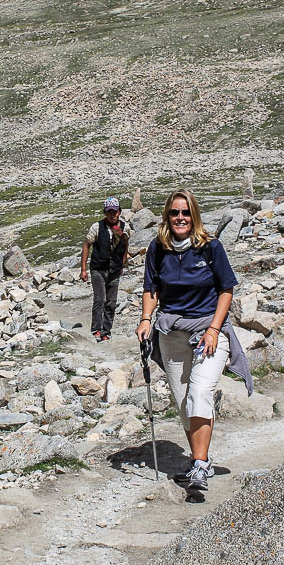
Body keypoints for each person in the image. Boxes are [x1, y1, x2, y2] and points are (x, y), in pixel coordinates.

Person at [135, 189, 252, 493]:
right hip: (171, 331)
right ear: (167, 216)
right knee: (184, 400)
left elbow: (226, 289)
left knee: (200, 392)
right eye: (175, 213)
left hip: (208, 331)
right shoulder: (158, 248)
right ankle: (201, 460)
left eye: (185, 212)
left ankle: (199, 465)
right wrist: (146, 320)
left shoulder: (210, 247)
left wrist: (215, 329)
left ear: (194, 215)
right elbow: (151, 289)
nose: (180, 218)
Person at [80, 197, 132, 342]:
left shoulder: (124, 227)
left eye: (115, 212)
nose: (112, 215)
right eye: (109, 212)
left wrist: (123, 262)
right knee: (100, 299)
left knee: (111, 301)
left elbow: (125, 244)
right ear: (105, 212)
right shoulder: (97, 227)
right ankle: (96, 329)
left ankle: (106, 331)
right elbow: (86, 246)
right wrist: (83, 269)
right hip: (98, 268)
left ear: (119, 212)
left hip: (115, 269)